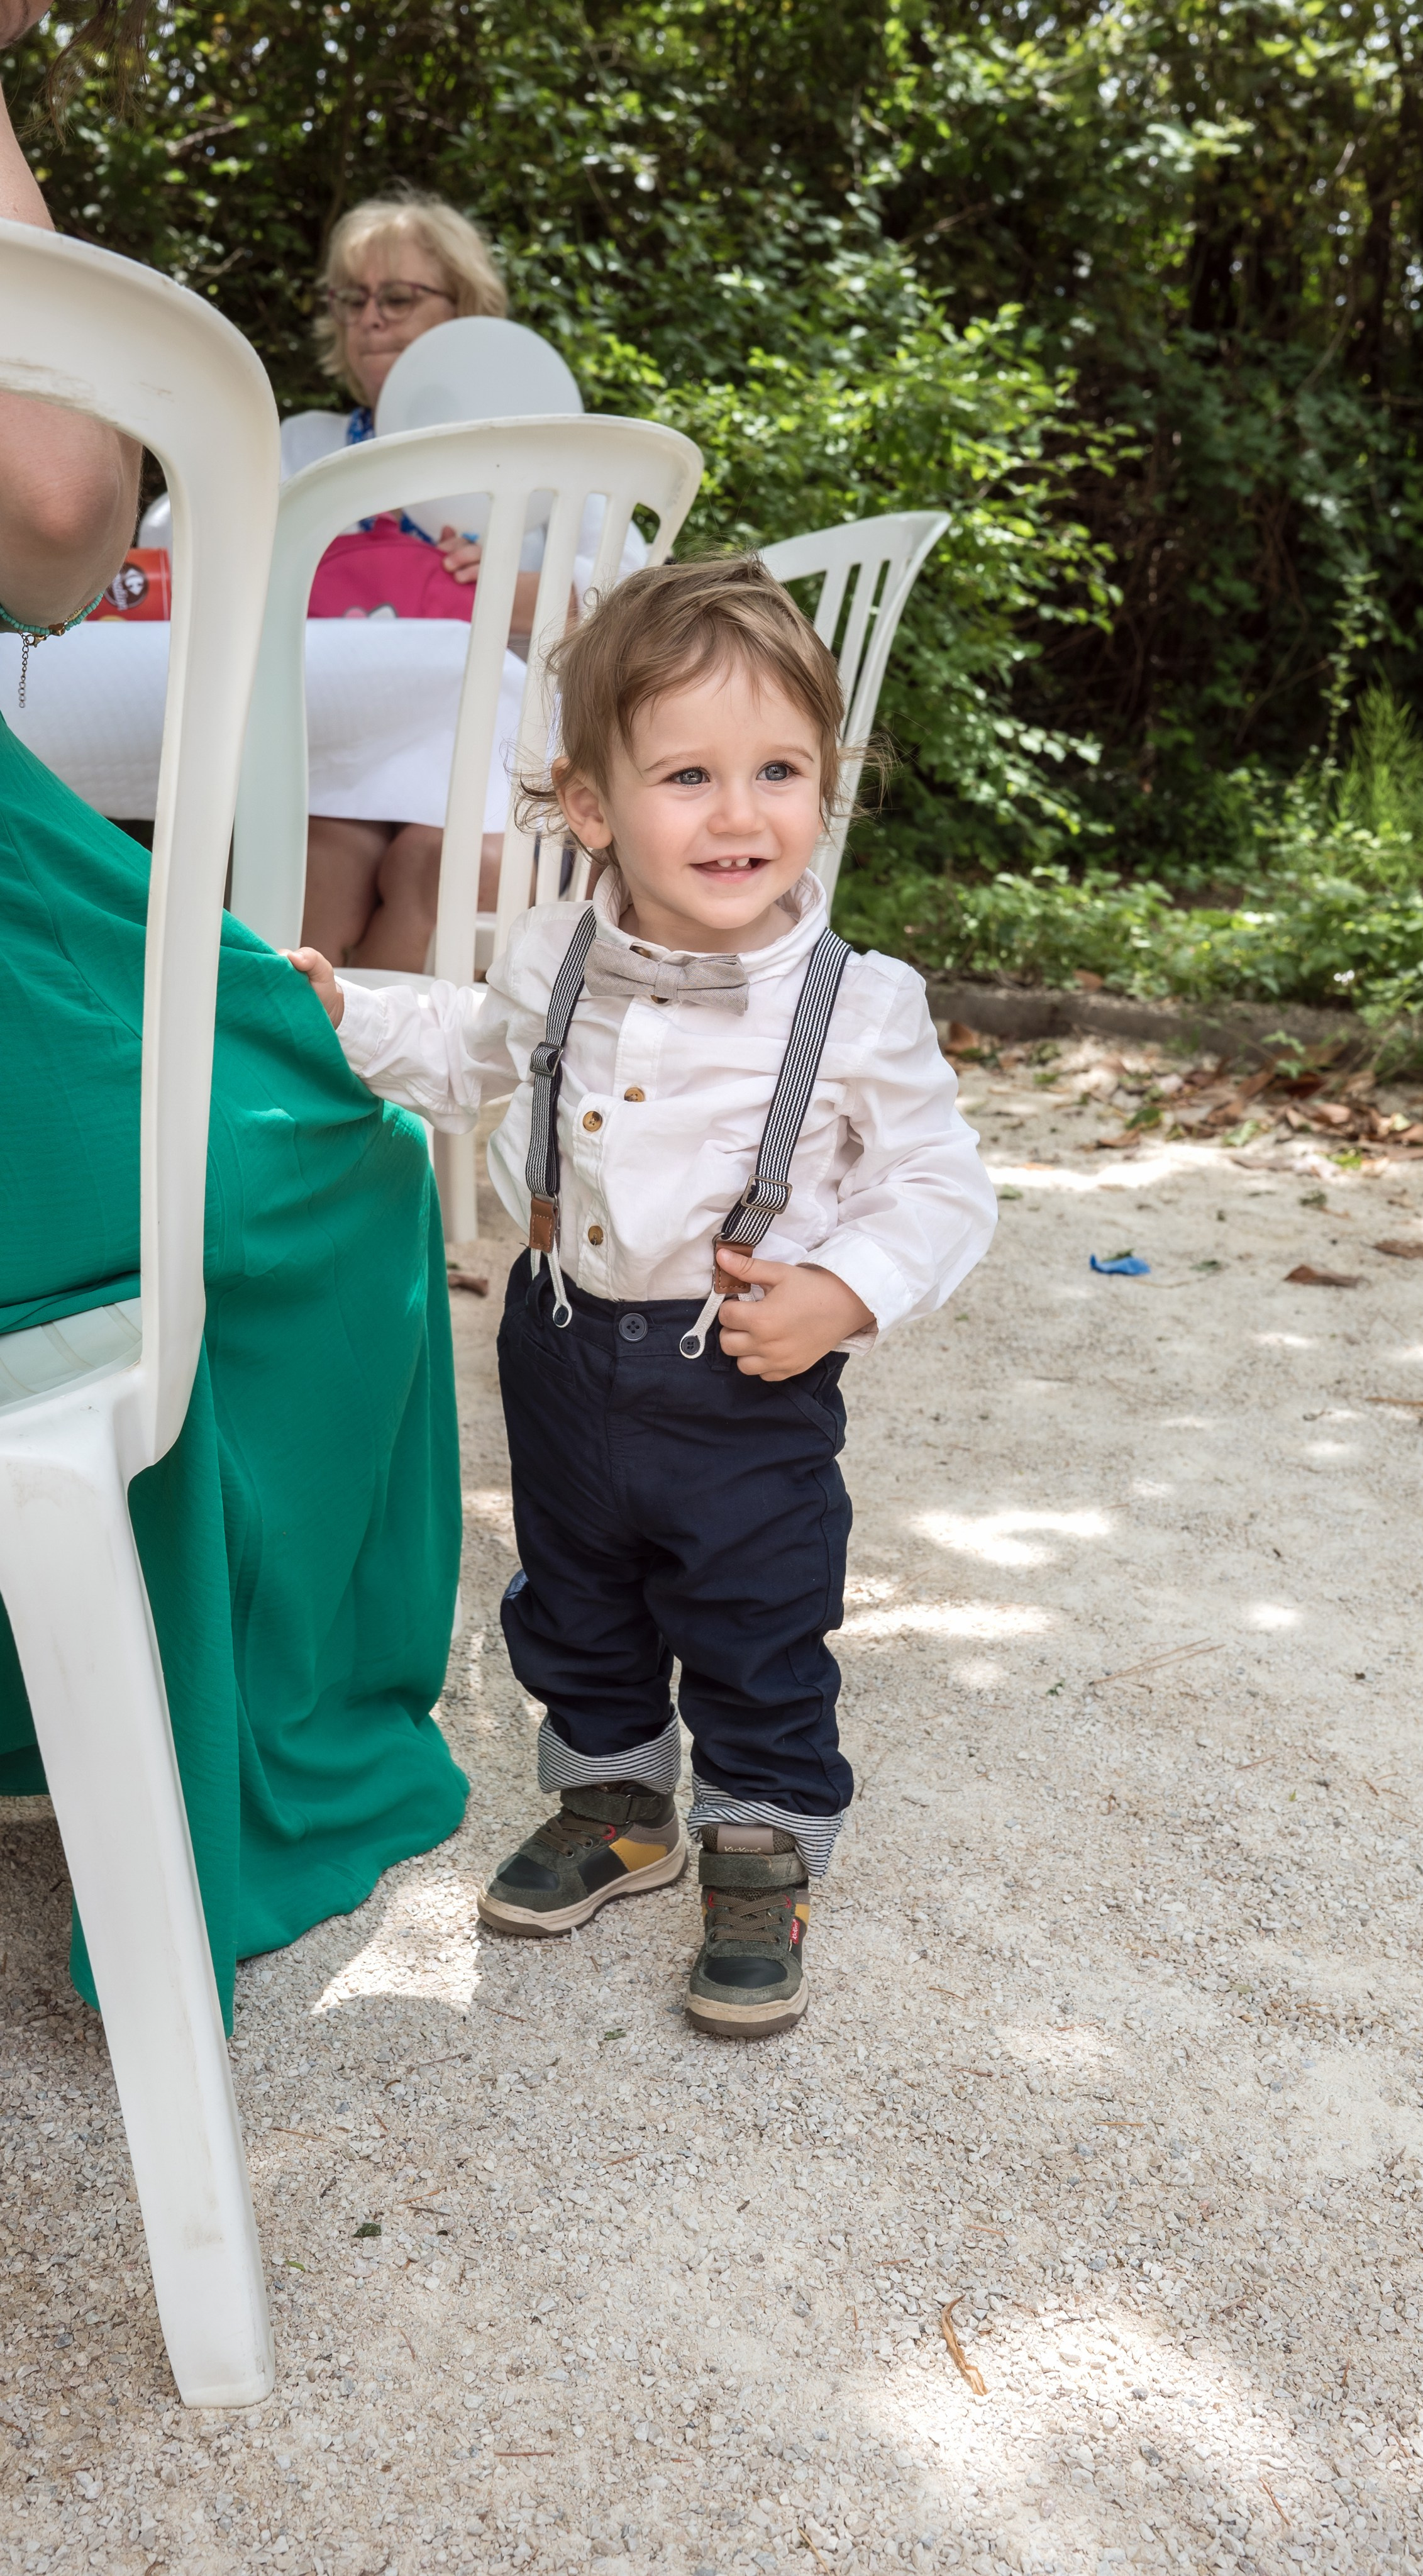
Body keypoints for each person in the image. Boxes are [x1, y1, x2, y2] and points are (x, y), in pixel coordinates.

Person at [288, 555, 997, 2037]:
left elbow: (938, 1183)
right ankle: (614, 1797)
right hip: (557, 1344)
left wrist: (841, 1290)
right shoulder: (557, 955)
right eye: (688, 774)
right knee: (577, 1589)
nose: (739, 813)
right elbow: (471, 1058)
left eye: (777, 770)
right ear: (594, 807)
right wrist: (350, 1011)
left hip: (740, 1372)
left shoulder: (856, 998)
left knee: (752, 1606)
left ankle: (761, 1837)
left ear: (822, 785)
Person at [0, 12, 467, 2026]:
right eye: (354, 296)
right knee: (320, 1137)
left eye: (402, 298)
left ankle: (350, 1003)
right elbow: (56, 505)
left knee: (289, 933)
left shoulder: (438, 444)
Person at [294, 193, 644, 970]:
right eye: (351, 300)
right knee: (318, 856)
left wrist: (519, 593)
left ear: (468, 312)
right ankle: (289, 1077)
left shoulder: (546, 456)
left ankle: (383, 1078)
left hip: (506, 778)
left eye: (397, 297)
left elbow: (644, 608)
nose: (369, 319)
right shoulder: (305, 450)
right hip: (341, 754)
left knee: (429, 864)